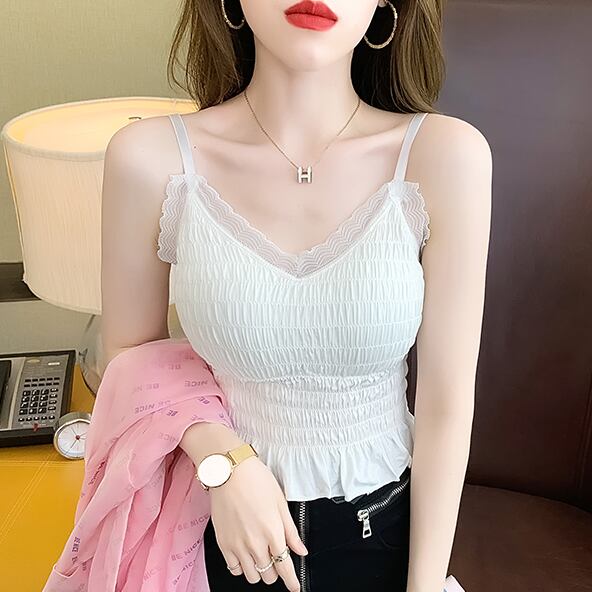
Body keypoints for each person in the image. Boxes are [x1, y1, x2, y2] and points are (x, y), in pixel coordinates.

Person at [100, 1, 492, 591]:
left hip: (385, 541)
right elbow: (131, 364)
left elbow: (446, 403)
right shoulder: (148, 158)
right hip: (216, 538)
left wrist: (425, 585)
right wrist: (223, 460)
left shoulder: (445, 155)